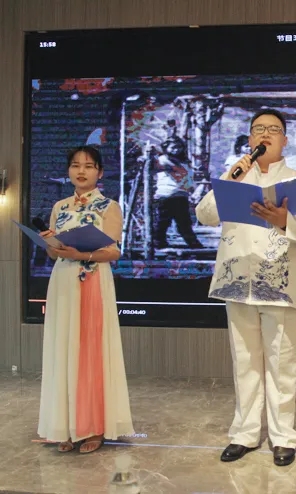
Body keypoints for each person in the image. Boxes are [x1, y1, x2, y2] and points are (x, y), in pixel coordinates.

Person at [195, 109, 296, 466]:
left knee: (282, 364)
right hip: (237, 279)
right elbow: (204, 214)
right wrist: (231, 176)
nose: (265, 134)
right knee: (245, 361)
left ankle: (283, 437)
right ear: (250, 138)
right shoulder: (235, 176)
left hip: (278, 283)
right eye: (259, 129)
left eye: (273, 130)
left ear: (284, 140)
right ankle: (245, 433)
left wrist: (284, 221)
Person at [37, 145, 134, 454]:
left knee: (91, 350)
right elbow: (55, 254)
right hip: (63, 281)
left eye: (89, 166)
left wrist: (82, 254)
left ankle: (94, 427)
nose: (81, 171)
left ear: (99, 172)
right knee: (64, 349)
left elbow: (114, 252)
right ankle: (67, 427)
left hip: (92, 279)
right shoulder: (60, 206)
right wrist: (50, 244)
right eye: (76, 165)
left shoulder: (109, 206)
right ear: (69, 171)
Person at [151, 136, 203, 249]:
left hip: (181, 195)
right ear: (166, 148)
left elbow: (188, 179)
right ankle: (158, 243)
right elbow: (156, 166)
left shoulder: (184, 162)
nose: (176, 150)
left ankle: (193, 244)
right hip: (166, 194)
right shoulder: (163, 159)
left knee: (184, 222)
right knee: (163, 221)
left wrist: (192, 191)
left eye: (179, 147)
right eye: (173, 147)